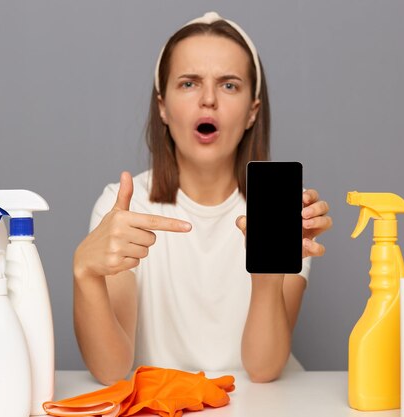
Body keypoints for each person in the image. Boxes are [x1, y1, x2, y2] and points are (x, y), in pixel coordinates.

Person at [73, 11, 332, 385]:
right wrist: (86, 273)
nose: (208, 99)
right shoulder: (125, 208)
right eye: (189, 83)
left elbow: (263, 369)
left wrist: (267, 275)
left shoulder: (283, 209)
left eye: (229, 86)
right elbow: (110, 370)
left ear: (251, 112)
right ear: (162, 106)